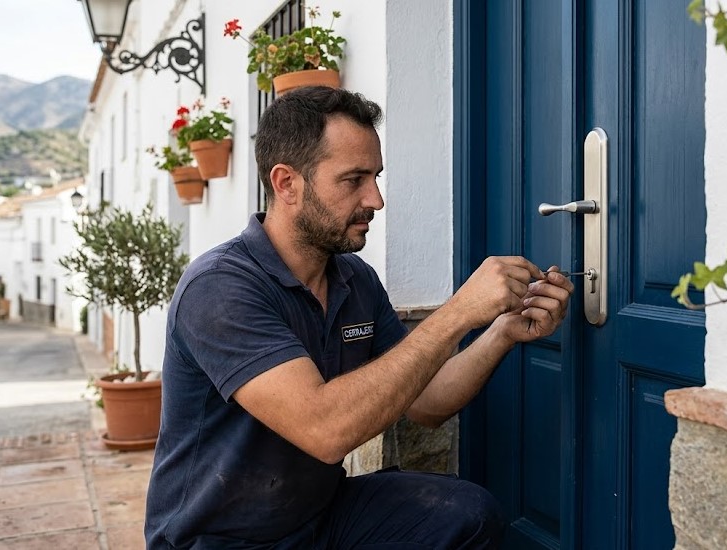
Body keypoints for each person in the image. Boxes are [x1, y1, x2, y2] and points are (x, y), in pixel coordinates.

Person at [145, 86, 574, 549]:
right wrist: (456, 313)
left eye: (376, 177)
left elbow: (428, 403)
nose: (375, 199)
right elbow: (324, 431)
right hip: (219, 539)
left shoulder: (353, 279)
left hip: (316, 518)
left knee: (467, 515)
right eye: (353, 180)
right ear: (287, 183)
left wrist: (502, 331)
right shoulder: (219, 287)